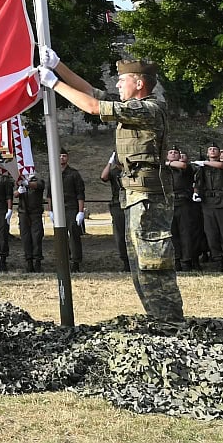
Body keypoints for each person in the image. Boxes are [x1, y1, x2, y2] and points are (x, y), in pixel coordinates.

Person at [38, 52, 183, 323]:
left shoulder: (149, 108)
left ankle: (171, 322)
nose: (117, 84)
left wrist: (54, 84)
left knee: (153, 265)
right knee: (139, 266)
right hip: (135, 195)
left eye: (122, 80)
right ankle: (159, 321)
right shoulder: (133, 106)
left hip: (149, 198)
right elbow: (91, 92)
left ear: (139, 83)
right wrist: (58, 67)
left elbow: (94, 107)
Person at [44, 150, 86, 271]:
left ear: (67, 158)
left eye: (64, 156)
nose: (62, 158)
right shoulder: (53, 174)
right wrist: (50, 211)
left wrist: (80, 212)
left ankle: (76, 261)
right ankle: (64, 259)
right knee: (60, 235)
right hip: (58, 209)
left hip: (71, 208)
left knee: (74, 235)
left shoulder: (74, 174)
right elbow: (49, 194)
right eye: (59, 156)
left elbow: (80, 194)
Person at [193, 144, 223, 271]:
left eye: (215, 149)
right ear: (207, 153)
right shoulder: (202, 168)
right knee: (211, 233)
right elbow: (197, 182)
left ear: (219, 153)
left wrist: (204, 162)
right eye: (210, 149)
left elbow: (222, 166)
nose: (212, 150)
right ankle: (217, 260)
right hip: (207, 204)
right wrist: (196, 193)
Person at [165, 147, 201, 270]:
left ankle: (187, 260)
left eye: (175, 152)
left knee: (186, 233)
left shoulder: (186, 167)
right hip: (169, 204)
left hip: (184, 203)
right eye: (170, 152)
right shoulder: (164, 169)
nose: (173, 154)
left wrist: (166, 163)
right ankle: (176, 260)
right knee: (172, 233)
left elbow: (183, 165)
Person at [101, 153, 130, 272]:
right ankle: (125, 262)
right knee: (120, 235)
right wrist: (110, 162)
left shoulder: (131, 170)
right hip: (118, 205)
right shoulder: (114, 172)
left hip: (131, 203)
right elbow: (103, 177)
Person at [16, 169, 46, 273]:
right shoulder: (20, 181)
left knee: (36, 237)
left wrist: (27, 184)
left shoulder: (38, 180)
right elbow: (15, 194)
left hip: (35, 213)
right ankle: (29, 262)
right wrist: (19, 191)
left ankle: (37, 261)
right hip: (23, 213)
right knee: (25, 238)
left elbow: (38, 185)